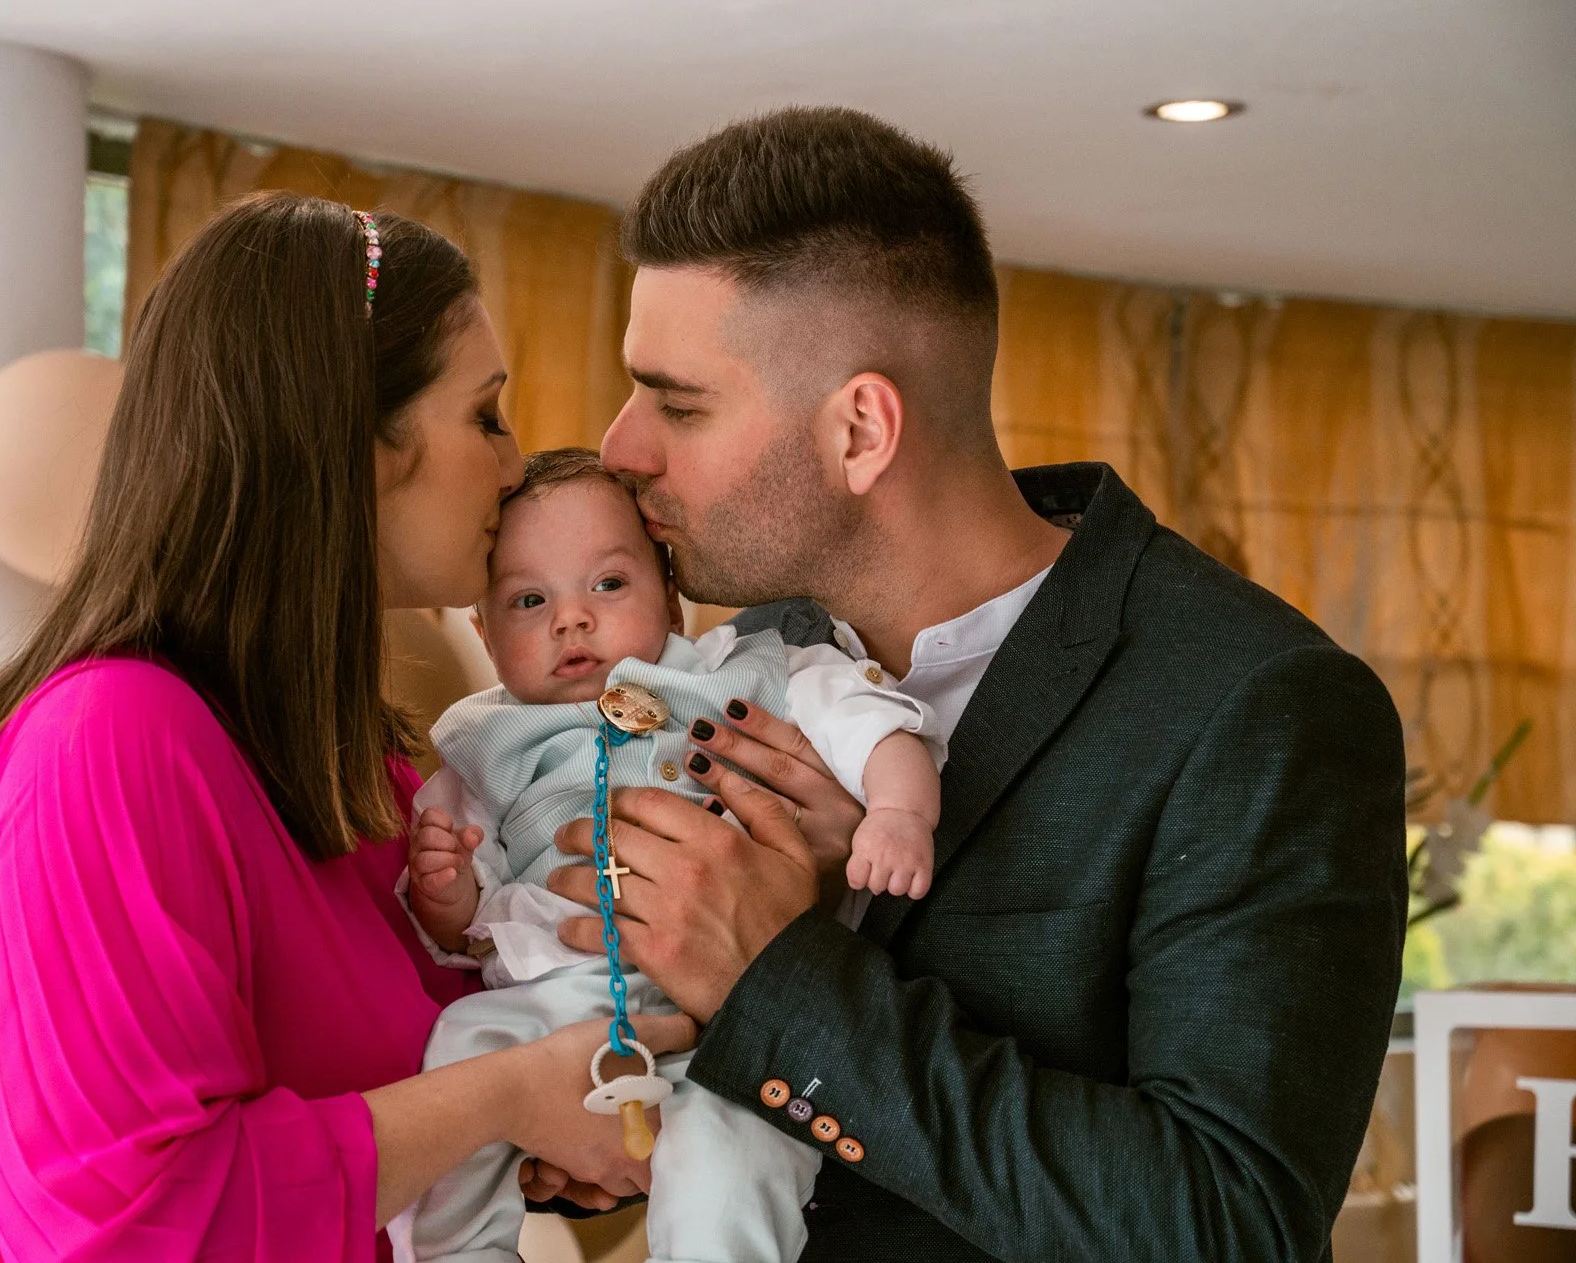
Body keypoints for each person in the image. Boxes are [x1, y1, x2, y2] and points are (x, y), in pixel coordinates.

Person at [539, 107, 1408, 1261]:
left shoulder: (1259, 705)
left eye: (679, 403)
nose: (620, 447)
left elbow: (1225, 1224)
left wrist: (777, 982)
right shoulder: (732, 666)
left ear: (862, 429)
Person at [0, 193, 691, 1263]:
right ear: (360, 442)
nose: (514, 468)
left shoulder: (364, 758)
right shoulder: (107, 740)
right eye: (486, 415)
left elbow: (457, 1089)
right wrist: (505, 1095)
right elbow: (132, 1220)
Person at [401, 448, 944, 1261]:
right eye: (528, 599)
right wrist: (443, 893)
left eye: (609, 584)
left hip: (737, 1004)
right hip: (557, 1001)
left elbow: (868, 720)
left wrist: (898, 811)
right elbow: (460, 895)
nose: (571, 618)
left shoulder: (742, 673)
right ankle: (464, 1250)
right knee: (456, 1056)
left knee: (739, 1141)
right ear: (484, 632)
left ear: (675, 603)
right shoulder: (485, 741)